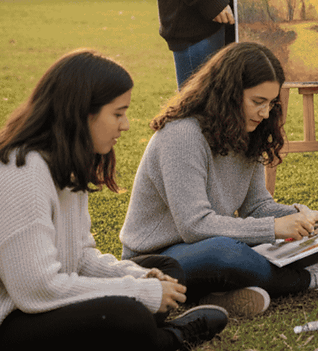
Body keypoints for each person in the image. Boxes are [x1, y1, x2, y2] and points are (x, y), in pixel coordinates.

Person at [0, 50, 227, 350]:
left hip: (47, 304)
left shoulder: (68, 164)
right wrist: (138, 292)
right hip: (12, 320)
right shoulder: (22, 172)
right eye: (118, 113)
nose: (126, 125)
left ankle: (141, 333)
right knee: (128, 314)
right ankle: (170, 338)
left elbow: (81, 257)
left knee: (167, 269)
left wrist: (139, 276)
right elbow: (37, 289)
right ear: (82, 113)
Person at [120, 42, 318, 318]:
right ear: (228, 94)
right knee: (225, 253)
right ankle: (305, 280)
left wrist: (302, 217)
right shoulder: (182, 135)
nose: (265, 113)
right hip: (157, 260)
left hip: (213, 244)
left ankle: (218, 295)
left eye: (271, 104)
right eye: (257, 102)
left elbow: (257, 206)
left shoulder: (248, 132)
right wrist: (274, 228)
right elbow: (194, 226)